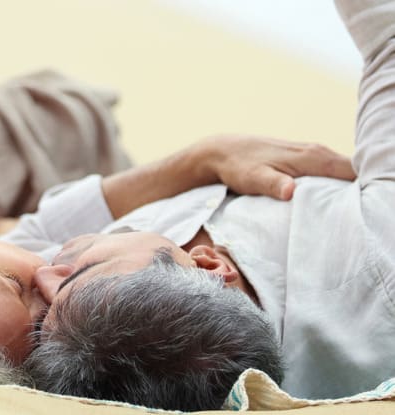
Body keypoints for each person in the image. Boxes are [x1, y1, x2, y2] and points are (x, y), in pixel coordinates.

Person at [0, 0, 354, 388]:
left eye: (20, 286)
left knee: (62, 125)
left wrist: (203, 158)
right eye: (36, 323)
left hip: (31, 139)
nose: (49, 282)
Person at [24, 0, 395, 410]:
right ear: (210, 266)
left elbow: (30, 236)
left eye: (39, 327)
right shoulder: (379, 250)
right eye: (86, 270)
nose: (40, 274)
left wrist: (204, 159)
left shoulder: (82, 339)